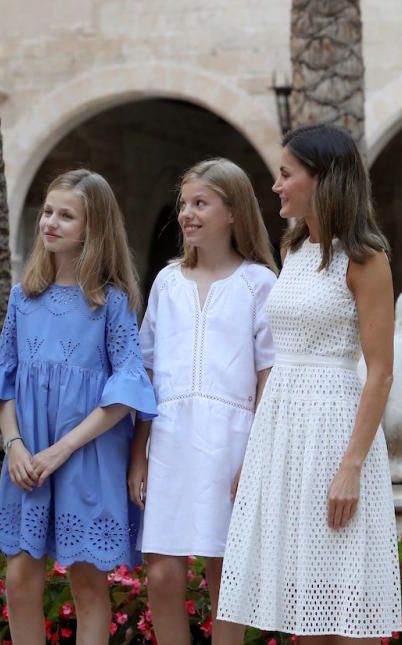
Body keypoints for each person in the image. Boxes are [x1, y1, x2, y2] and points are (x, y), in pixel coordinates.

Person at [216, 124, 402, 643]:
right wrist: (256, 453)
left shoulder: (366, 258)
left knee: (345, 595)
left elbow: (381, 371)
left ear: (322, 180)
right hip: (284, 430)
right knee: (301, 602)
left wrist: (351, 468)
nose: (275, 185)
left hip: (335, 431)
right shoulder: (294, 247)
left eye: (285, 174)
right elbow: (278, 356)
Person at [0, 169, 156, 645]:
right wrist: (14, 446)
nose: (50, 222)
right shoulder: (22, 298)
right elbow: (4, 378)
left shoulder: (112, 304)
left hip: (87, 456)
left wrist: (63, 449)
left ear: (92, 229)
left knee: (89, 585)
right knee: (18, 579)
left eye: (66, 216)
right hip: (27, 457)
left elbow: (127, 391)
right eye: (48, 211)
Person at [128, 158, 278, 644]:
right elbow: (146, 375)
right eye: (184, 204)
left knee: (225, 574)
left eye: (201, 203)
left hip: (232, 442)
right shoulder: (167, 282)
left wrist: (254, 459)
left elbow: (267, 380)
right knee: (162, 573)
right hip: (169, 440)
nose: (188, 214)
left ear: (232, 212)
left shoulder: (259, 283)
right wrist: (138, 456)